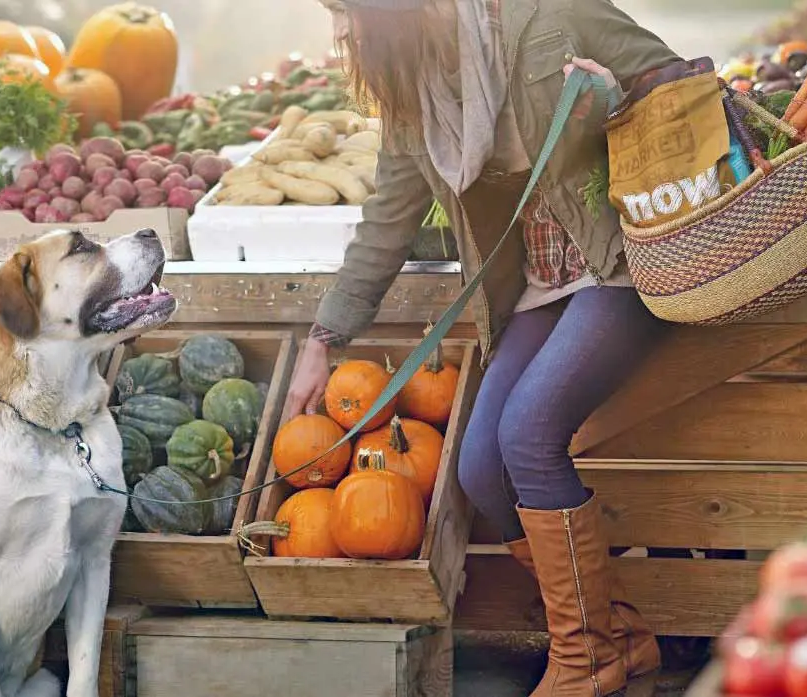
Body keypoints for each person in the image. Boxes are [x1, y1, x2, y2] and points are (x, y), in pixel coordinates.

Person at [285, 1, 682, 695]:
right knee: (478, 469)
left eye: (348, 12)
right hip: (536, 283)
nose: (342, 32)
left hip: (615, 260)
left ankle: (586, 659)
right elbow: (388, 221)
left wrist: (614, 106)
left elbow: (675, 81)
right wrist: (325, 337)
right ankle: (622, 637)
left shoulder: (548, 15)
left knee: (528, 433)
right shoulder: (412, 94)